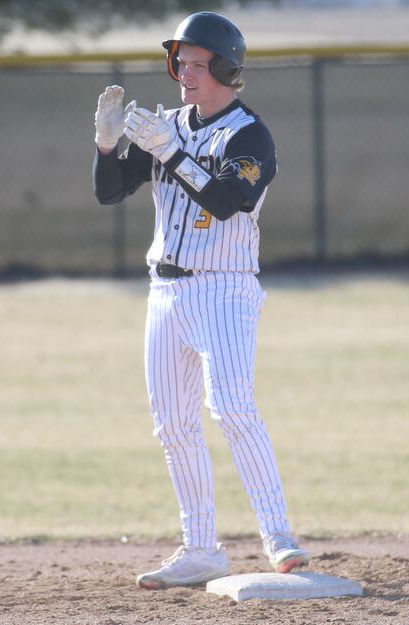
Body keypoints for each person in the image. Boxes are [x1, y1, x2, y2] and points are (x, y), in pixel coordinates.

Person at [92, 11, 310, 590]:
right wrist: (108, 145)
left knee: (232, 406)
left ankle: (279, 536)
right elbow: (109, 192)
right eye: (179, 62)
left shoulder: (248, 134)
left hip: (224, 287)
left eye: (194, 62)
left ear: (224, 66)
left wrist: (173, 154)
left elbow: (226, 200)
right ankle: (200, 549)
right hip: (165, 290)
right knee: (173, 425)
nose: (183, 72)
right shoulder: (169, 123)